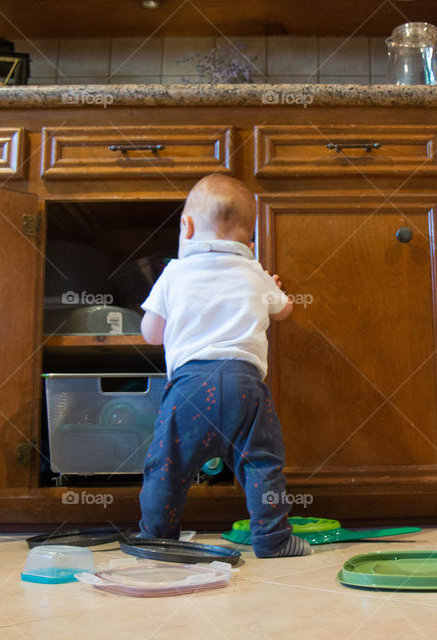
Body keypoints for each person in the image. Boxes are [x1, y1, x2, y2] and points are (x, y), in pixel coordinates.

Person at [137, 174, 310, 558]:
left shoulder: (173, 273)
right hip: (244, 387)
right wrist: (272, 289)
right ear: (250, 241)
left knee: (167, 466)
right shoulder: (255, 272)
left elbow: (151, 333)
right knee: (262, 465)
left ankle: (156, 538)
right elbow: (284, 311)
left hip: (188, 389)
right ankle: (273, 539)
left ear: (187, 227)